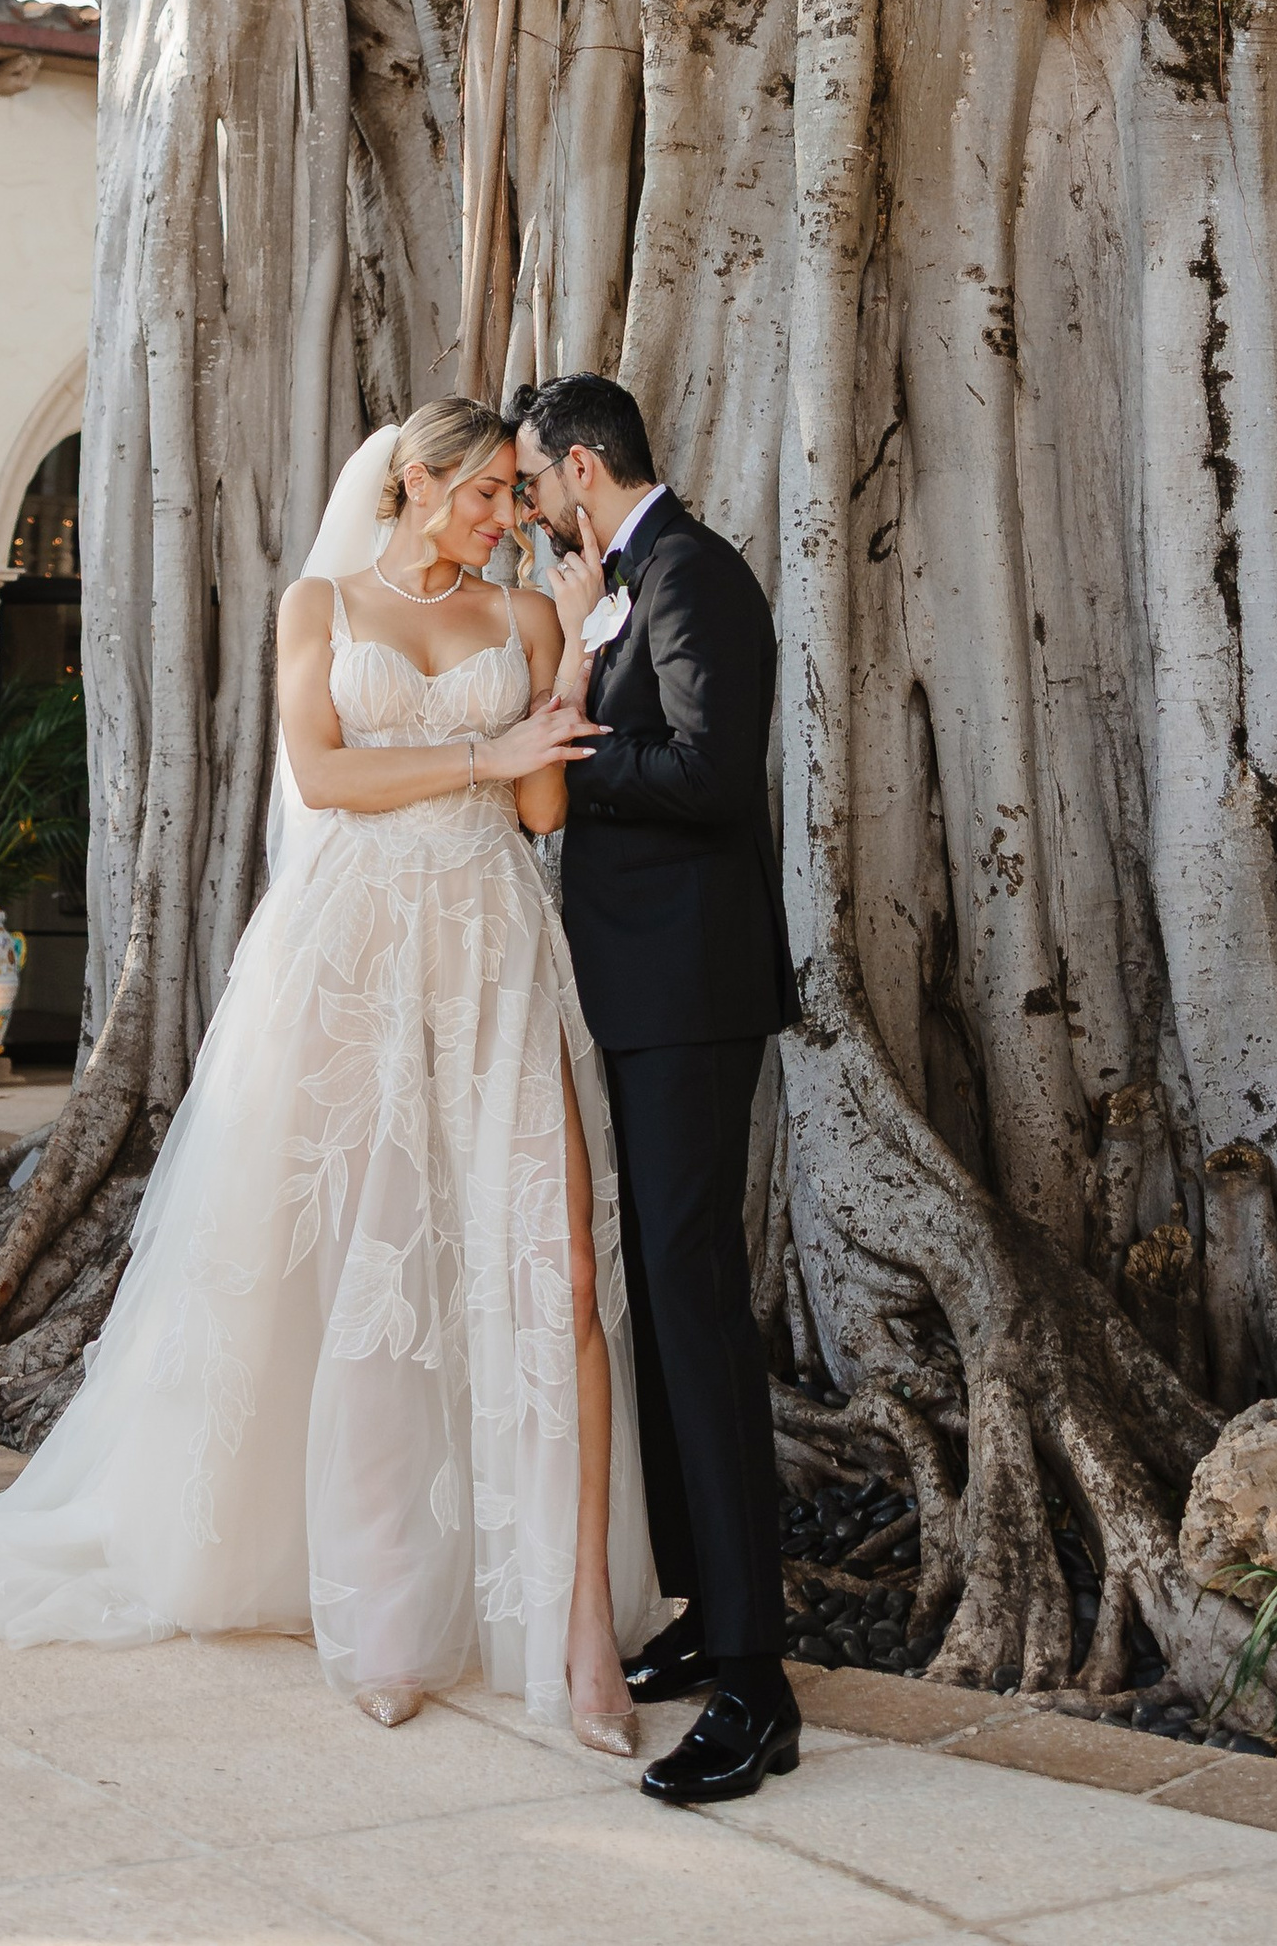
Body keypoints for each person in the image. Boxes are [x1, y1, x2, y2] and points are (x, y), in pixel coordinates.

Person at [0, 397, 661, 1748]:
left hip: (496, 953)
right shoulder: (319, 608)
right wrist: (476, 750)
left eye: (518, 494)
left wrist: (566, 668)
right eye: (492, 491)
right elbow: (324, 776)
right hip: (357, 961)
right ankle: (387, 1608)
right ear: (420, 480)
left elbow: (541, 806)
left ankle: (577, 1634)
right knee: (373, 1269)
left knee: (556, 1273)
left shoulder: (521, 617)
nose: (511, 516)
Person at [509, 371, 803, 1807]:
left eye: (534, 480)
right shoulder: (614, 582)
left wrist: (572, 747)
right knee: (656, 1286)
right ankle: (700, 1609)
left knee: (697, 1301)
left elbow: (710, 772)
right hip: (630, 989)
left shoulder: (695, 575)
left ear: (580, 465)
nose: (530, 507)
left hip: (693, 995)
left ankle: (759, 1677)